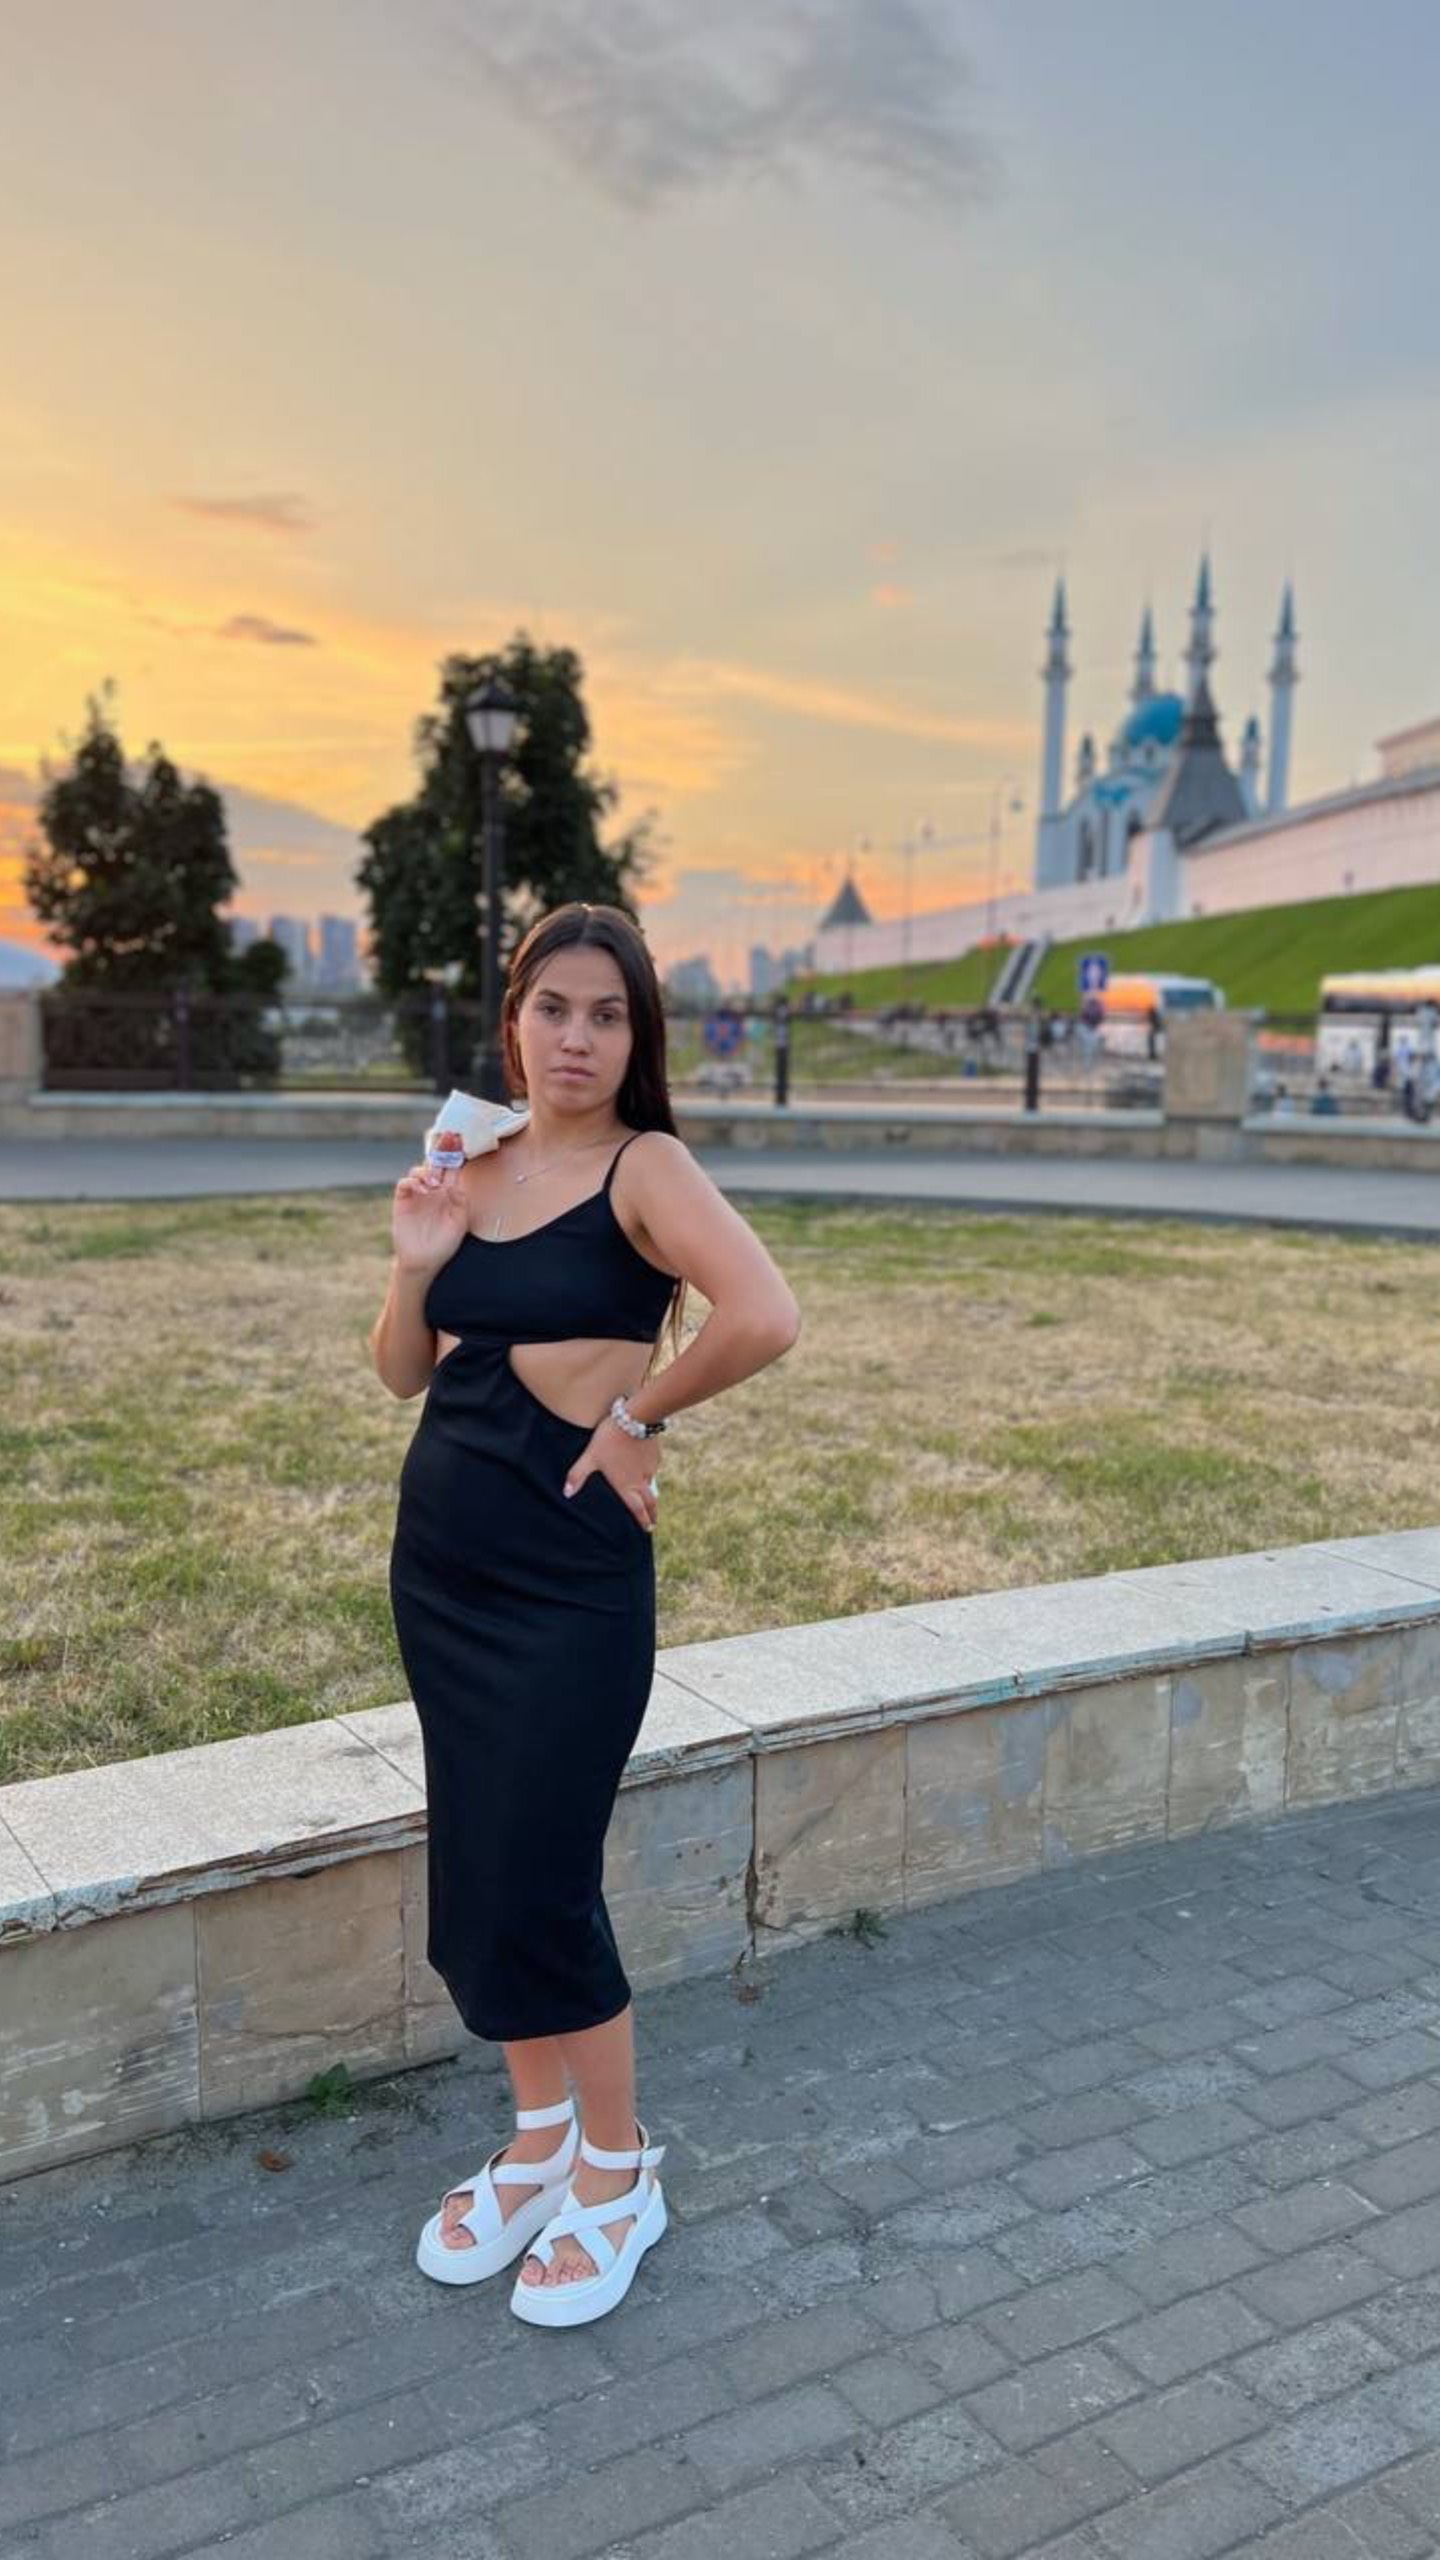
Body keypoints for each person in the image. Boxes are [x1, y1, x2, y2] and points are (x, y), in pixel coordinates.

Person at [371, 903, 801, 2327]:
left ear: (637, 1037)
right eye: (552, 1007)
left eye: (606, 1015)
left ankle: (618, 2172)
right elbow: (402, 1373)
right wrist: (416, 1258)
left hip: (567, 1583)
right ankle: (540, 2139)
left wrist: (638, 1415)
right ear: (514, 1021)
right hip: (444, 1565)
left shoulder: (646, 1166)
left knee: (544, 1880)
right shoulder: (473, 1158)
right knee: (477, 1870)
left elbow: (764, 1314)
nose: (576, 1037)